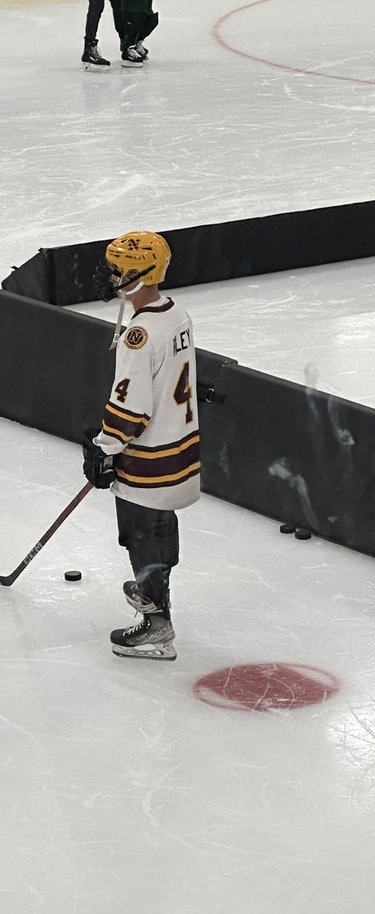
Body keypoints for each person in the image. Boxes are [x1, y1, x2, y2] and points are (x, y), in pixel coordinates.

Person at [82, 231, 200, 660]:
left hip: (150, 460)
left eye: (116, 269)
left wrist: (105, 447)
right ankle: (156, 591)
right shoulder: (177, 316)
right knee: (159, 530)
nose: (108, 275)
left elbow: (131, 409)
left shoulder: (140, 334)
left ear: (140, 274)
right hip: (180, 451)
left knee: (143, 536)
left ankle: (157, 626)